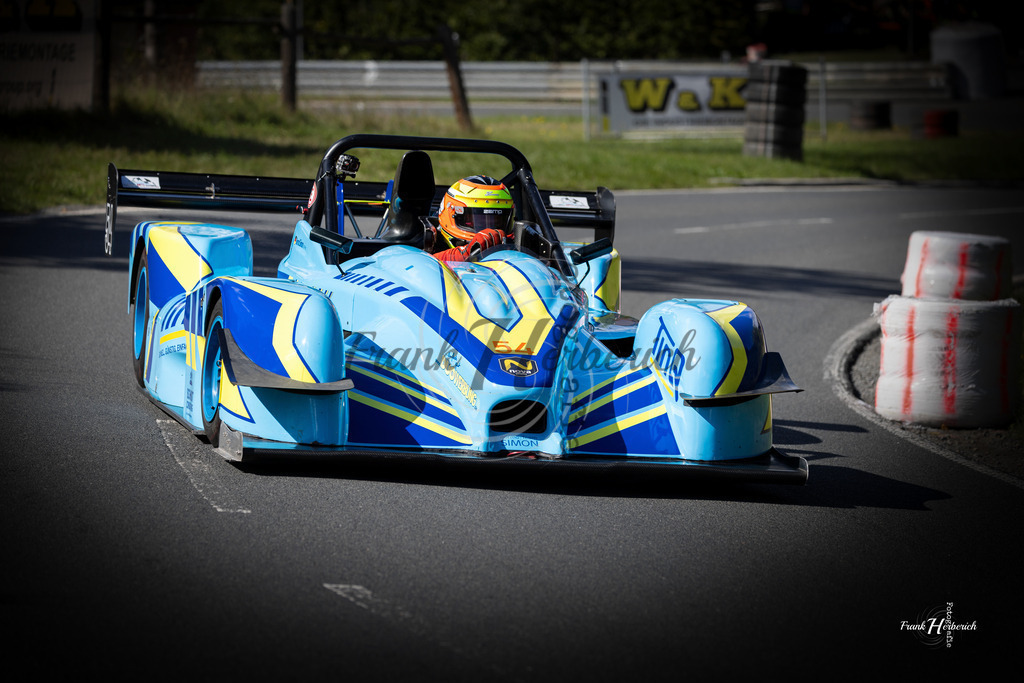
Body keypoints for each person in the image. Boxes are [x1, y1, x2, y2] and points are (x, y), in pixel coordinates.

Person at [431, 175, 514, 263]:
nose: (488, 233)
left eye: (497, 222)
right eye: (478, 222)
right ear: (451, 214)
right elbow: (424, 262)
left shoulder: (514, 243)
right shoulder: (426, 244)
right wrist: (466, 252)